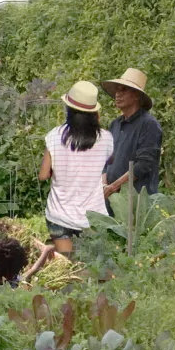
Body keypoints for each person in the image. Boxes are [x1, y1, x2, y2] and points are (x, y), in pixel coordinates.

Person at [38, 81, 114, 254]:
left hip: (59, 215)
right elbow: (108, 160)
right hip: (93, 218)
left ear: (68, 110)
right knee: (93, 267)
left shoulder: (54, 136)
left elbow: (43, 175)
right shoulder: (106, 139)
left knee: (67, 266)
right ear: (95, 112)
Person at [101, 68, 163, 199]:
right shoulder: (115, 124)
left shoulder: (149, 124)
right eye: (117, 90)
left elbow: (143, 165)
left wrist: (113, 187)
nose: (118, 94)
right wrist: (104, 185)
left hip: (136, 202)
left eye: (123, 89)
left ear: (136, 95)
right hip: (111, 199)